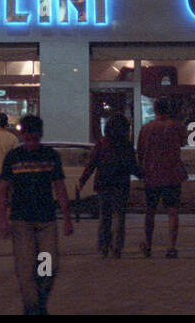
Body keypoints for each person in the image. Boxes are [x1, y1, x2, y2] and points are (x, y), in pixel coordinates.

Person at [0, 115, 73, 315]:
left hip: (46, 220)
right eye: (28, 139)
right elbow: (2, 190)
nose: (31, 144)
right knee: (26, 267)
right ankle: (32, 308)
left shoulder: (50, 156)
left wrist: (67, 217)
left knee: (48, 266)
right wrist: (2, 220)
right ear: (22, 136)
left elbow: (60, 187)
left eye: (35, 139)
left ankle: (39, 302)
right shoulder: (13, 157)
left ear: (41, 136)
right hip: (22, 221)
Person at [77, 112, 139, 258]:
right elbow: (132, 166)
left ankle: (104, 246)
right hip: (121, 185)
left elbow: (92, 164)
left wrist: (82, 180)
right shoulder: (126, 146)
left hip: (103, 184)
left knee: (105, 217)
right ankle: (117, 247)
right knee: (119, 217)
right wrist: (144, 175)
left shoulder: (102, 143)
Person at [135, 97, 187, 259]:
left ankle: (149, 245)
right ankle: (171, 246)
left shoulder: (146, 128)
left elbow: (140, 152)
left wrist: (141, 170)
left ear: (155, 109)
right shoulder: (176, 127)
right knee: (172, 212)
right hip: (172, 174)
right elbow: (183, 143)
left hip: (152, 175)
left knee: (150, 211)